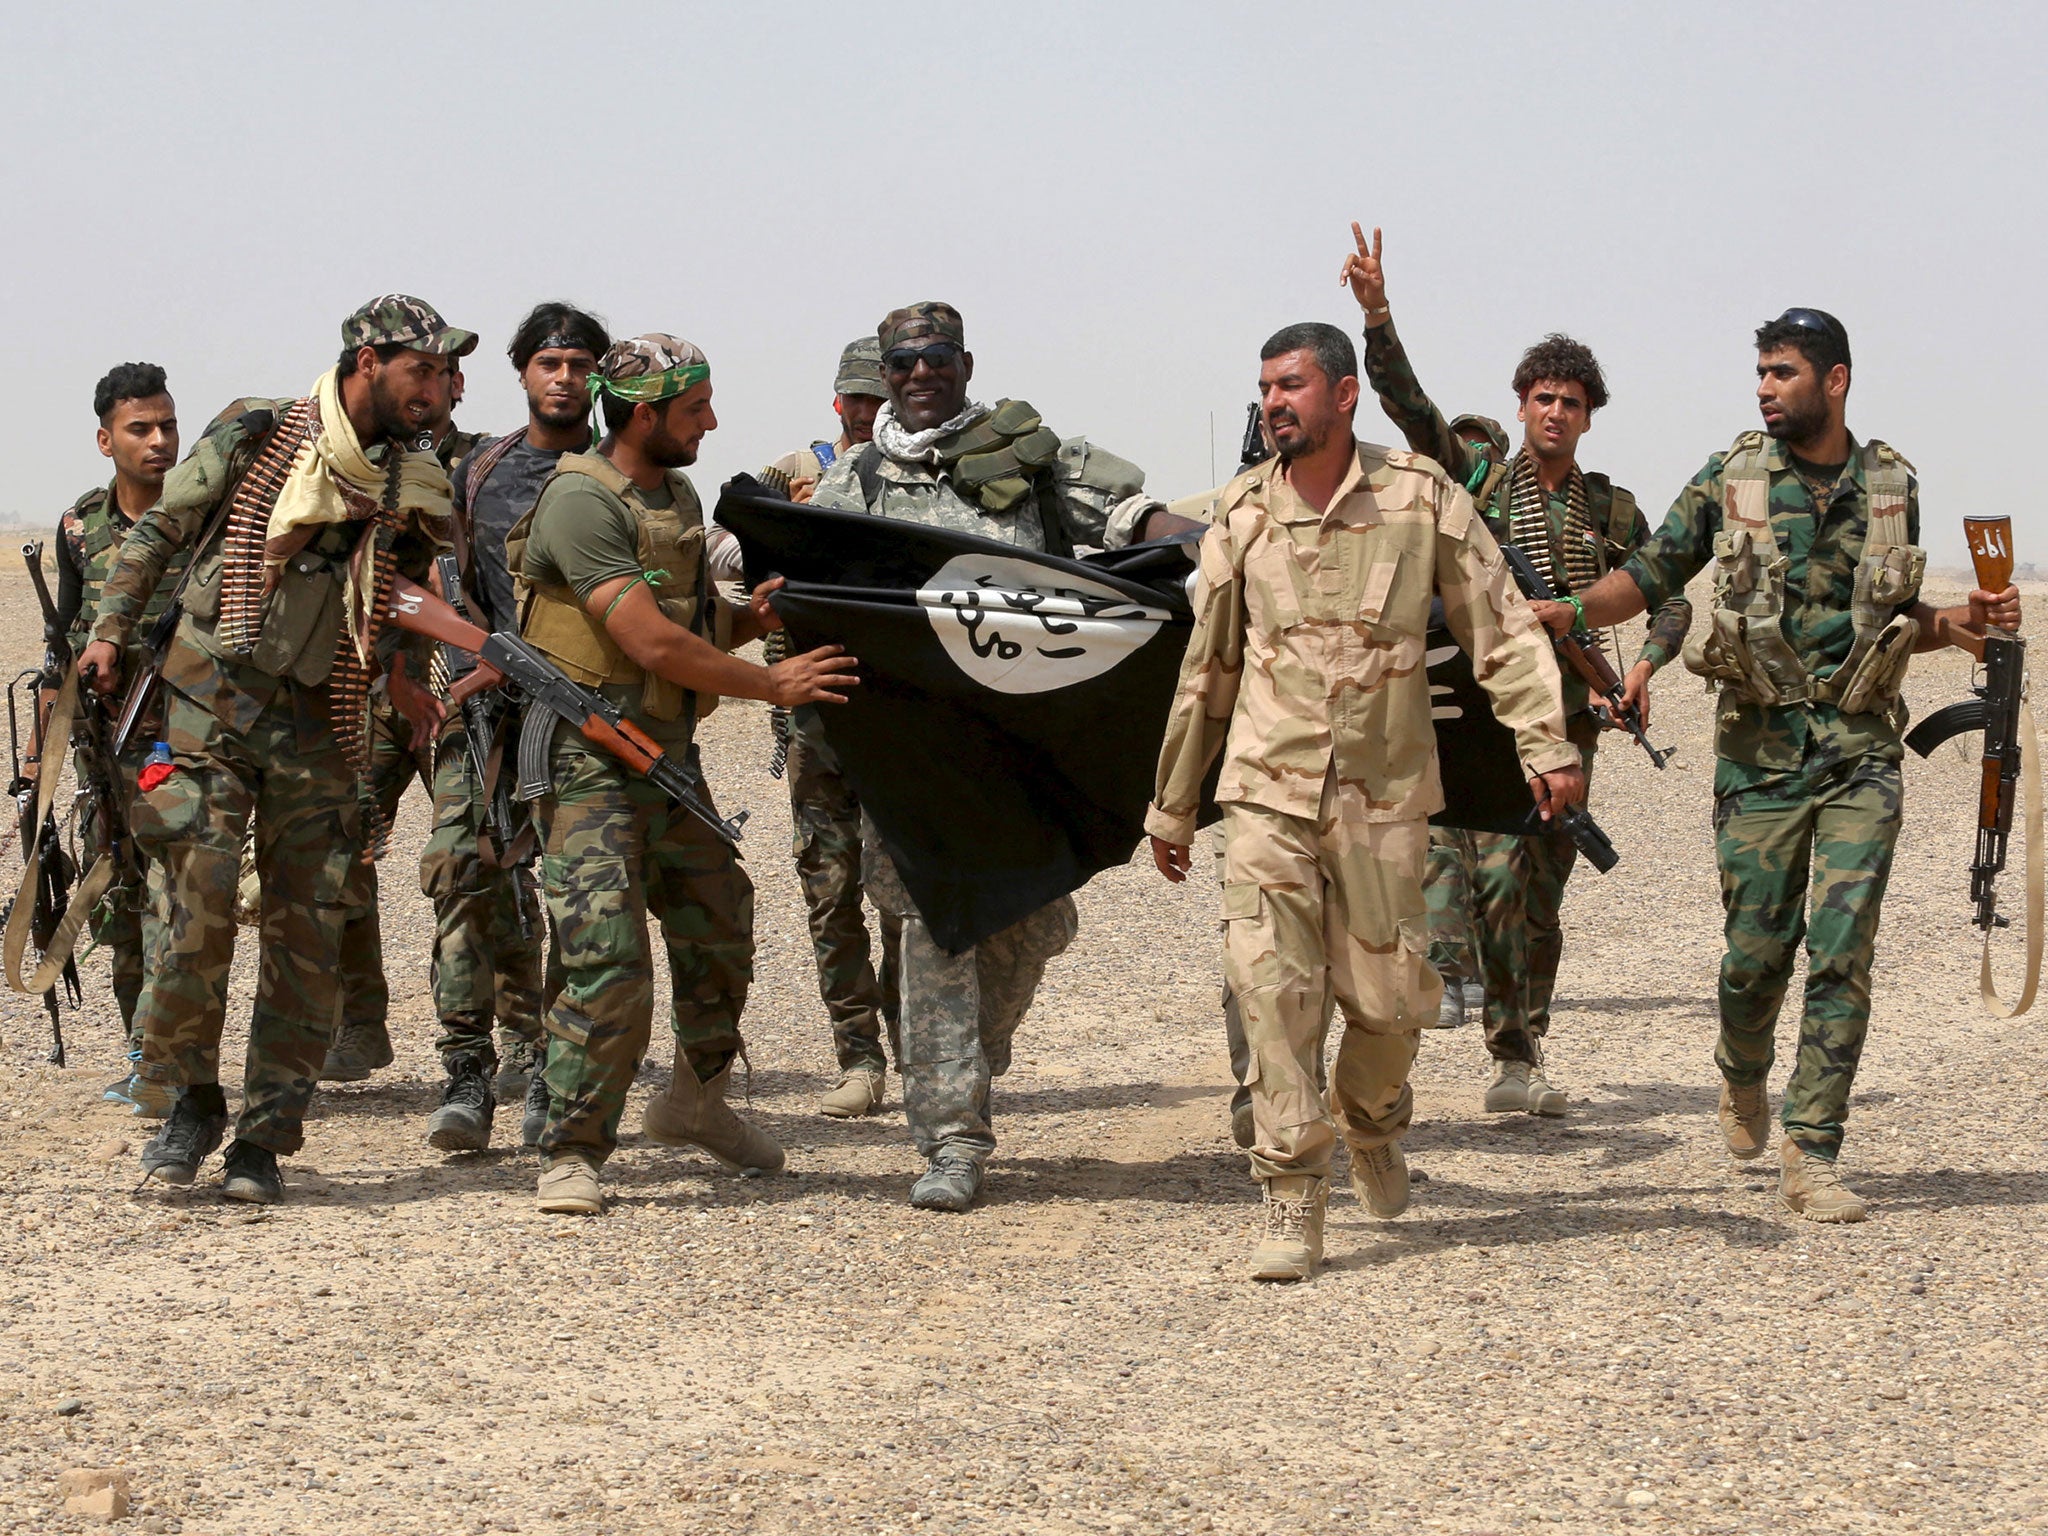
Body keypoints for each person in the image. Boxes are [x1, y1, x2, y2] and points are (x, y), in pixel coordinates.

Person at [1146, 312, 1583, 1282]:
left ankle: (1372, 1121)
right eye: (1263, 388)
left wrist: (1544, 742)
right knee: (1272, 992)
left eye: (1289, 386)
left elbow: (1499, 630)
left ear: (1341, 396)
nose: (1272, 404)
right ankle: (1290, 1194)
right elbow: (1205, 667)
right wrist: (1173, 803)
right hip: (1263, 793)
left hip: (1383, 798)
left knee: (1389, 1005)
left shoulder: (1415, 498)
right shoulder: (1243, 514)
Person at [1563, 307, 2020, 1222]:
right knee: (1755, 955)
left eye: (1782, 373)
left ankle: (1814, 1151)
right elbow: (1651, 573)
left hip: (1860, 750)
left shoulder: (1892, 485)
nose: (1765, 388)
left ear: (1834, 380)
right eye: (1761, 373)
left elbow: (1897, 622)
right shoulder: (1730, 478)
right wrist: (1566, 613)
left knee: (1843, 950)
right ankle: (1742, 1068)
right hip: (1759, 756)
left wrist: (1969, 627)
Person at [79, 295, 471, 1204]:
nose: (438, 386)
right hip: (209, 701)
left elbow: (406, 588)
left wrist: (406, 673)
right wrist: (108, 630)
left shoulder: (416, 476)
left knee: (307, 931)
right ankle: (191, 1100)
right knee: (196, 904)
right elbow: (162, 528)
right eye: (423, 368)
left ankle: (264, 1135)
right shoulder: (260, 431)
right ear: (369, 362)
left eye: (444, 372)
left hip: (321, 718)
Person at [808, 300, 1179, 1210]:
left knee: (1036, 921)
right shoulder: (853, 482)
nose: (920, 375)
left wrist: (1229, 553)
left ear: (966, 365)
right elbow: (810, 581)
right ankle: (950, 1137)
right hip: (913, 755)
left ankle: (972, 1046)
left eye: (937, 359)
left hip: (1021, 747)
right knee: (938, 929)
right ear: (883, 375)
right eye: (903, 363)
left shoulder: (1035, 459)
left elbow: (1141, 522)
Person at [511, 333, 857, 1215]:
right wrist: (772, 681)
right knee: (607, 955)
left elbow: (691, 631)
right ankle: (573, 1149)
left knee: (720, 920)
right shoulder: (580, 502)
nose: (711, 421)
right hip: (588, 759)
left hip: (666, 756)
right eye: (695, 408)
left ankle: (697, 1100)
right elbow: (647, 641)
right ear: (644, 414)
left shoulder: (675, 492)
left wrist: (750, 620)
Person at [1351, 224, 1692, 1114]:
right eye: (1543, 398)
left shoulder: (1611, 506)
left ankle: (1524, 1044)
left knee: (1540, 888)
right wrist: (1378, 318)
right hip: (1484, 705)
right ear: (1520, 403)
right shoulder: (1479, 479)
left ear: (1588, 415)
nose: (1555, 413)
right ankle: (1503, 1052)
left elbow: (1671, 596)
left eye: (1571, 403)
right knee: (1486, 871)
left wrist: (1647, 666)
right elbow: (1409, 409)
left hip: (1574, 715)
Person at [413, 300, 610, 1154]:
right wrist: (460, 663)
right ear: (523, 372)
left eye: (578, 364)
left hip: (581, 718)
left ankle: (545, 1067)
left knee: (569, 900)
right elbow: (439, 571)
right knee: (464, 876)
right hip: (483, 711)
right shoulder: (480, 471)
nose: (563, 378)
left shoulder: (615, 473)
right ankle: (466, 1070)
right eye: (548, 363)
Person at [747, 337, 904, 1118]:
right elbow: (727, 559)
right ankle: (859, 1055)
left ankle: (924, 1048)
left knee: (908, 884)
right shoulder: (793, 472)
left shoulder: (919, 478)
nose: (869, 413)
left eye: (881, 398)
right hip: (816, 714)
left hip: (904, 712)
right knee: (830, 886)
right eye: (857, 399)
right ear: (836, 401)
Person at [53, 363, 186, 1114]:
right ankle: (141, 1050)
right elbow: (59, 646)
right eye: (141, 428)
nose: (160, 440)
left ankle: (169, 1058)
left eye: (168, 424)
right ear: (106, 439)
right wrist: (41, 762)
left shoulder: (200, 517)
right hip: (104, 747)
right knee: (120, 899)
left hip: (186, 743)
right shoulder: (80, 526)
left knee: (177, 898)